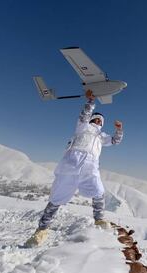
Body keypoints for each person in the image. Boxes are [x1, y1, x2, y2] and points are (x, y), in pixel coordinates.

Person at [25, 90, 124, 247]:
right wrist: (91, 102)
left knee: (98, 192)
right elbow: (84, 116)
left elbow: (115, 141)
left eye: (100, 121)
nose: (98, 122)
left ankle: (98, 219)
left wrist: (119, 130)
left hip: (90, 166)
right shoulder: (82, 127)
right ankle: (41, 231)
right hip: (71, 163)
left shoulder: (102, 136)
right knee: (56, 198)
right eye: (96, 119)